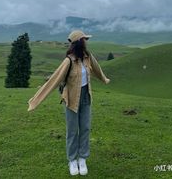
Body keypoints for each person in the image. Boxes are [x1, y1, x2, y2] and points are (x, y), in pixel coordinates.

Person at [28, 30, 110, 176]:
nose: (86, 41)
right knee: (72, 131)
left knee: (85, 128)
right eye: (85, 39)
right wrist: (36, 101)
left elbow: (97, 69)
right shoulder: (69, 61)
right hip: (71, 99)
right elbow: (54, 80)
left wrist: (104, 79)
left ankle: (82, 158)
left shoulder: (88, 57)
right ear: (79, 42)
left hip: (86, 97)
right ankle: (72, 160)